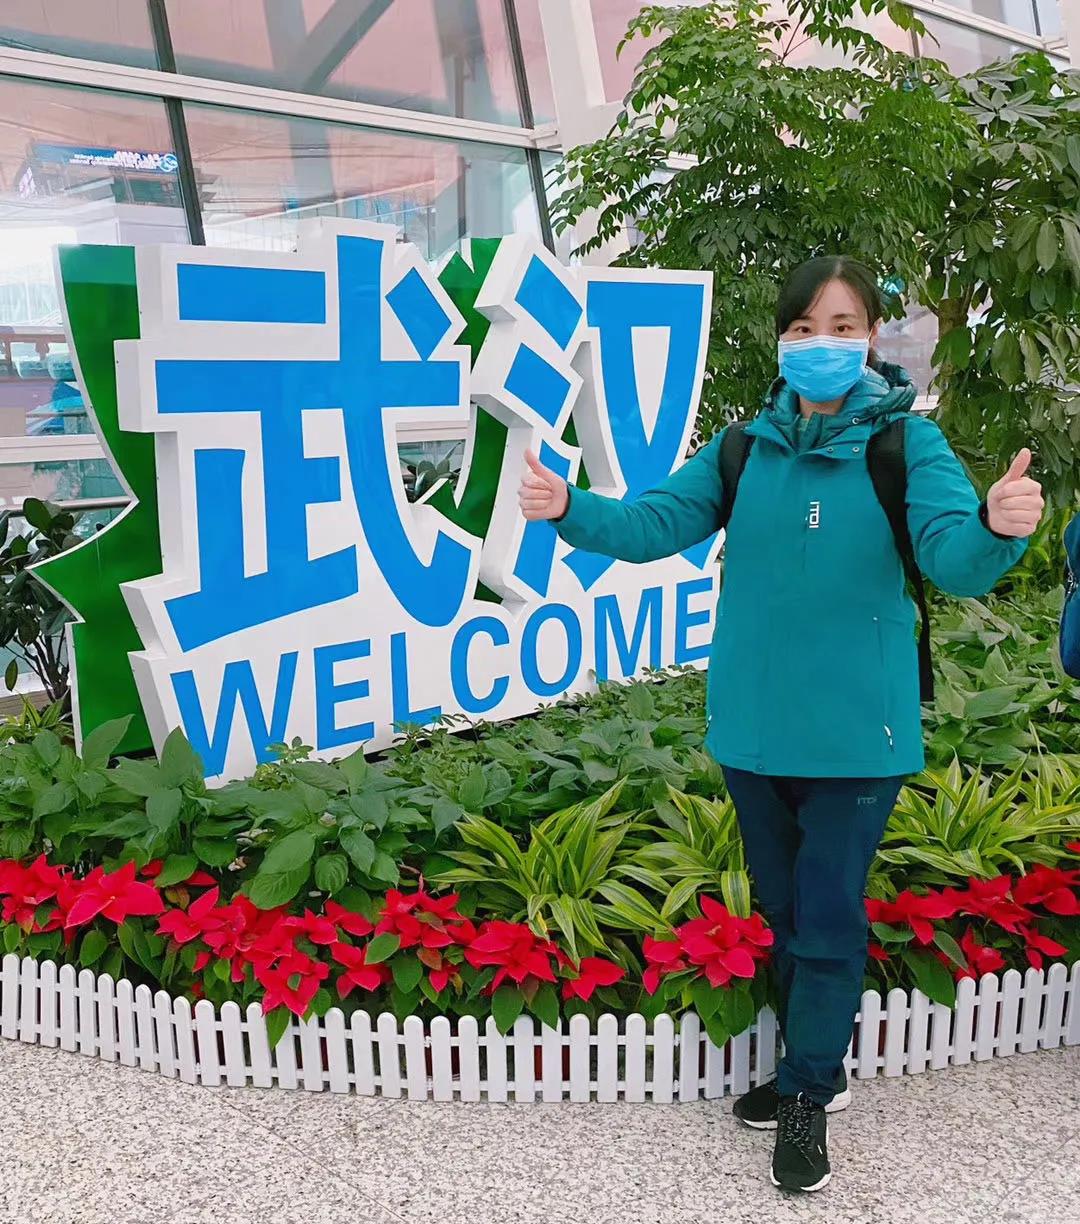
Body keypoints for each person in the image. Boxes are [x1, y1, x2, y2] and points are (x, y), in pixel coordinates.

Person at [518, 256, 1044, 1194]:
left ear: (872, 338)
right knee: (787, 911)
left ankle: (807, 1093)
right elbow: (652, 525)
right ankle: (812, 1063)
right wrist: (570, 509)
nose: (821, 344)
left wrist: (999, 527)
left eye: (842, 327)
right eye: (803, 328)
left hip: (858, 737)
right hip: (755, 732)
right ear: (780, 340)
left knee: (829, 914)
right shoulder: (742, 449)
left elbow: (951, 559)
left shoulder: (907, 446)